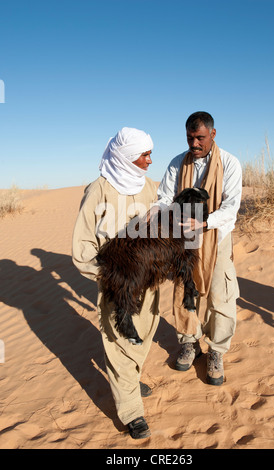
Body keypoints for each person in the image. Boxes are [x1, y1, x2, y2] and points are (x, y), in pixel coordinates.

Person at [72, 127, 159, 439]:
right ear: (125, 157)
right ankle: (131, 410)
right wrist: (110, 278)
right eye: (144, 155)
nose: (150, 160)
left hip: (149, 281)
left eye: (150, 154)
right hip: (118, 285)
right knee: (119, 341)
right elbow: (82, 248)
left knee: (144, 335)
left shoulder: (150, 187)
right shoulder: (99, 190)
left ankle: (129, 381)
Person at [155, 111, 242, 385]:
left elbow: (231, 207)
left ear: (213, 135)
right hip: (183, 241)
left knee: (221, 295)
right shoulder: (176, 164)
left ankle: (216, 351)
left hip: (216, 237)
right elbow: (163, 199)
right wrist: (173, 218)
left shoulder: (229, 163)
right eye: (190, 138)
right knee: (184, 292)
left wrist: (204, 222)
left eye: (200, 138)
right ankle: (189, 343)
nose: (194, 144)